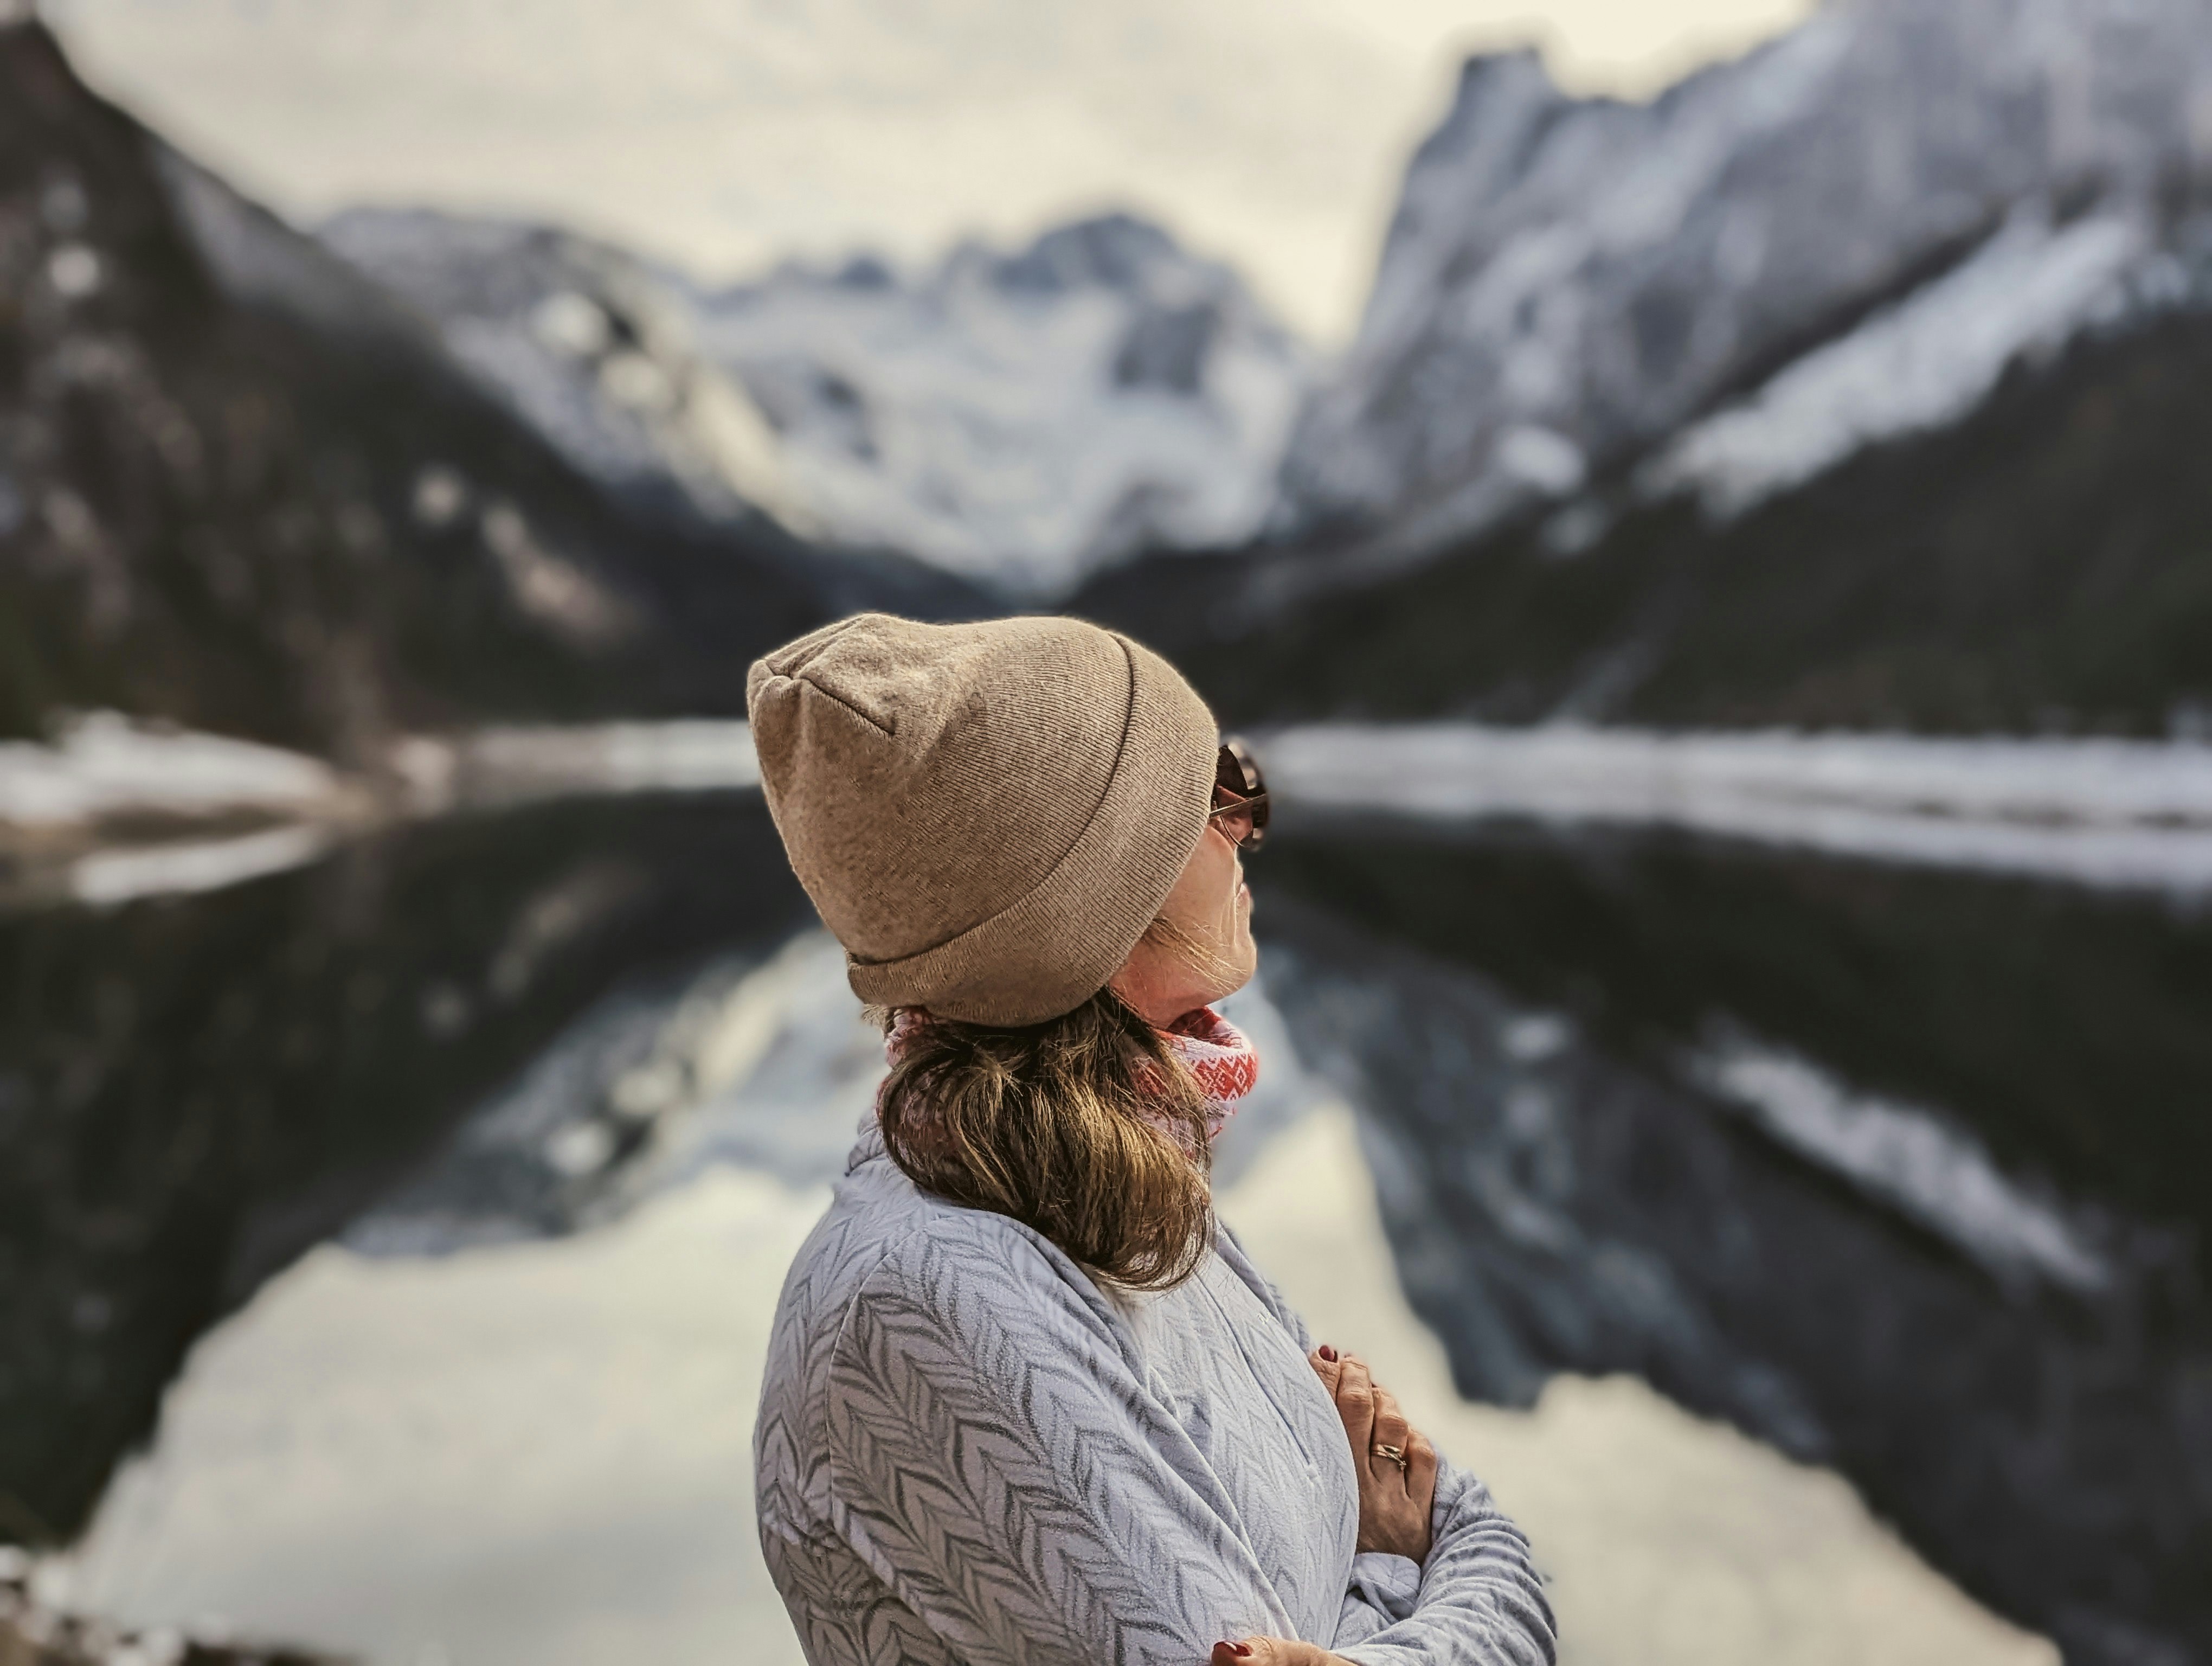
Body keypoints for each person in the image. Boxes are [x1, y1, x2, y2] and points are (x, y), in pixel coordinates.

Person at [749, 612, 1557, 1666]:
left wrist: (1394, 1583)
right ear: (1096, 893)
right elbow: (1451, 1558)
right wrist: (1404, 1566)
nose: (1246, 823)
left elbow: (1483, 1536)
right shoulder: (925, 1300)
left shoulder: (1117, 1191)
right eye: (1211, 790)